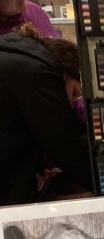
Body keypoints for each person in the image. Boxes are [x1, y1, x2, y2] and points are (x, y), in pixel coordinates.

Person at [0, 23, 94, 205]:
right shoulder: (36, 72)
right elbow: (67, 143)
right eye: (74, 93)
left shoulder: (19, 52)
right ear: (65, 75)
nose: (70, 102)